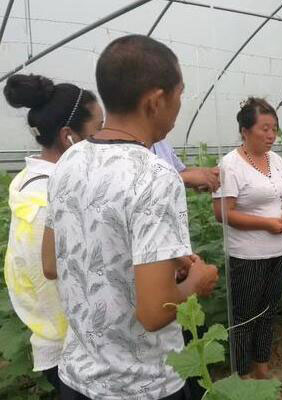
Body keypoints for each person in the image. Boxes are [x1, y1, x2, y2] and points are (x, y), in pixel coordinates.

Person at [41, 34, 218, 400]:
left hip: (77, 378)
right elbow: (155, 312)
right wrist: (197, 281)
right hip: (143, 385)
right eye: (179, 94)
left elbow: (51, 263)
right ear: (156, 100)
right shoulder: (155, 176)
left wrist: (164, 265)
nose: (180, 105)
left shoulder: (67, 161)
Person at [3, 74, 103, 391]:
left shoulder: (27, 183)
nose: (106, 137)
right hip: (77, 349)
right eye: (99, 129)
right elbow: (66, 271)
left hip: (57, 338)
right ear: (68, 137)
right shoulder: (53, 198)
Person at [212, 97, 282, 384]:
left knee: (269, 312)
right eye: (265, 129)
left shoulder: (277, 160)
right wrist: (267, 224)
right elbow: (222, 212)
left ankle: (263, 371)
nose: (272, 135)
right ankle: (243, 378)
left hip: (280, 250)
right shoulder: (230, 164)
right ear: (245, 131)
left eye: (275, 129)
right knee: (245, 317)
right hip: (247, 256)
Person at [151, 139, 220, 192]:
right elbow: (143, 182)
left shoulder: (162, 142)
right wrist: (185, 178)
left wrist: (208, 173)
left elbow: (180, 171)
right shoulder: (141, 146)